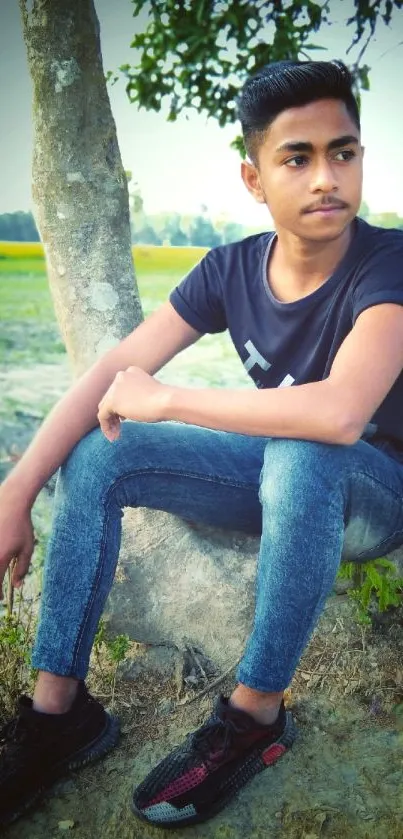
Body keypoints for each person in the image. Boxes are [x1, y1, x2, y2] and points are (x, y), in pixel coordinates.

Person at [1, 58, 403, 830]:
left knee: (301, 443)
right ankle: (61, 716)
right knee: (102, 451)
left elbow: (342, 414)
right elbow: (107, 378)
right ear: (254, 180)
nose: (326, 177)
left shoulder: (387, 263)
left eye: (342, 152)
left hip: (375, 491)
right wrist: (16, 489)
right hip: (287, 482)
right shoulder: (229, 269)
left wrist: (170, 397)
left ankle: (255, 718)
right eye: (298, 157)